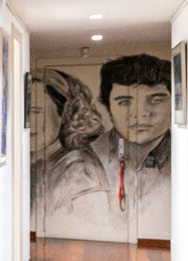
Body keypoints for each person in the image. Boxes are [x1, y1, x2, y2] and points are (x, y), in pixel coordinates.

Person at [38, 54, 171, 226]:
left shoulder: (185, 159)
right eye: (124, 102)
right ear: (108, 107)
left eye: (156, 101)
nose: (141, 113)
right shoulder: (81, 161)